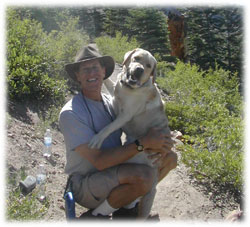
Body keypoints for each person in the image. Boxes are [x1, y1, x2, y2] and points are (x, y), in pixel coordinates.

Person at [59, 44, 177, 220]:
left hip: (113, 171)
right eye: (86, 69)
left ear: (104, 72)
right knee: (145, 175)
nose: (92, 73)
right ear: (77, 76)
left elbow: (136, 117)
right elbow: (99, 162)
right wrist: (144, 143)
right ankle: (96, 216)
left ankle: (128, 204)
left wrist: (161, 143)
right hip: (86, 183)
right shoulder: (72, 113)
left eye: (96, 68)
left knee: (170, 159)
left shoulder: (107, 102)